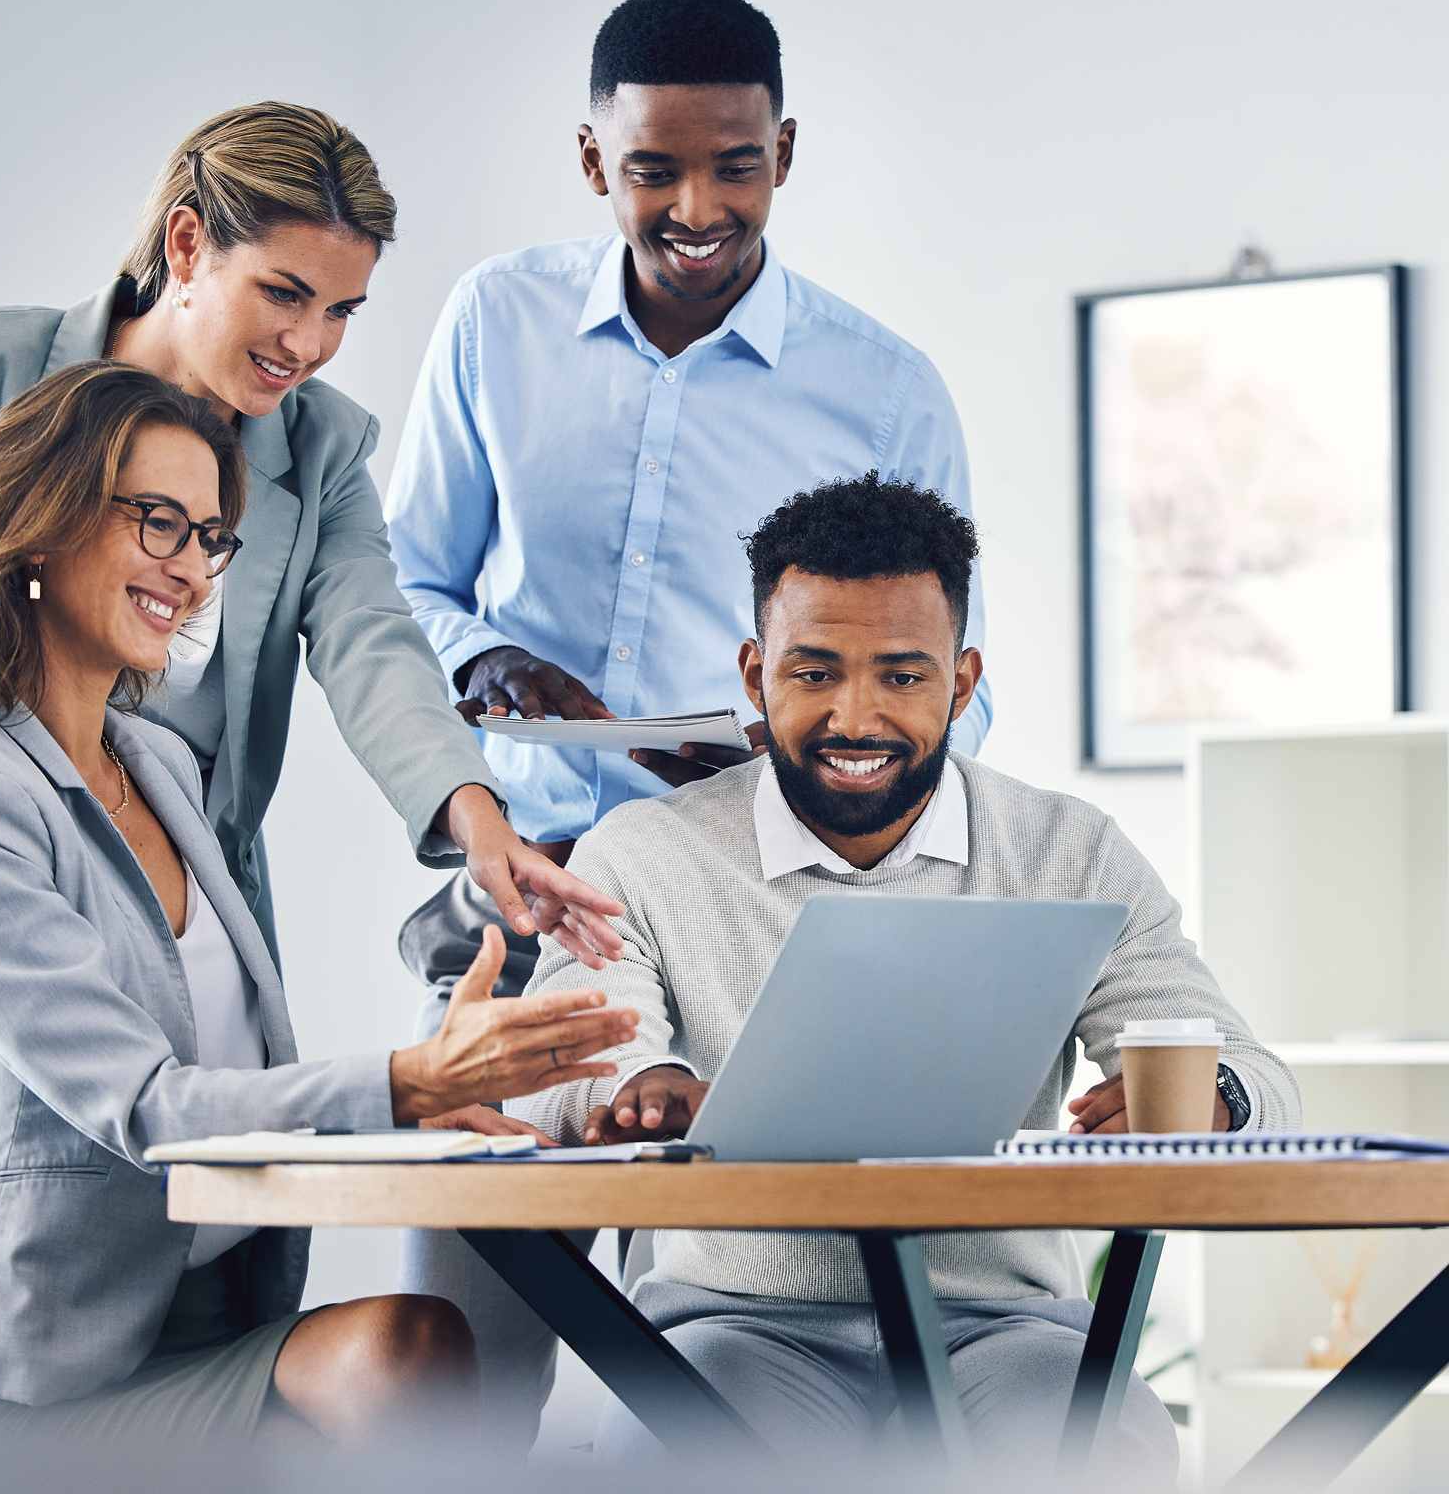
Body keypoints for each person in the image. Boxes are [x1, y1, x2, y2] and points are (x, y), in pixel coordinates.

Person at [386, 0, 990, 1434]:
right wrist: (486, 665)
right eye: (654, 167)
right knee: (454, 1363)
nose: (696, 204)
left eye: (733, 163)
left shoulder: (885, 389)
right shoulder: (495, 324)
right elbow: (399, 582)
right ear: (596, 162)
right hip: (515, 915)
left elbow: (953, 699)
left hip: (748, 927)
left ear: (784, 152)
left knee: (730, 1372)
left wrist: (786, 748)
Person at [0, 362, 640, 1442]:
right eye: (159, 524)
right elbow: (149, 1109)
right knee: (409, 1355)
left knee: (424, 1344)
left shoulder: (157, 763)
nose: (193, 572)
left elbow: (230, 1089)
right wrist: (405, 1082)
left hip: (213, 1320)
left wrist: (423, 1108)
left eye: (209, 538)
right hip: (29, 1368)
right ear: (39, 526)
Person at [511, 473, 1301, 1475]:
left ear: (961, 684)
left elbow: (1250, 1071)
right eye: (813, 674)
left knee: (1095, 1447)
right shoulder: (642, 851)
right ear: (755, 675)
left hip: (1004, 1334)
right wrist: (628, 1093)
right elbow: (564, 1060)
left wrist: (1214, 1100)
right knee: (679, 1456)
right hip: (738, 1330)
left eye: (901, 675)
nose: (855, 717)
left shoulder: (1069, 849)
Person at [0, 100, 622, 977]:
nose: (307, 343)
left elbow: (371, 641)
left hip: (187, 897)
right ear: (188, 244)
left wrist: (477, 817)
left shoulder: (322, 449)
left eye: (341, 309)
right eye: (284, 292)